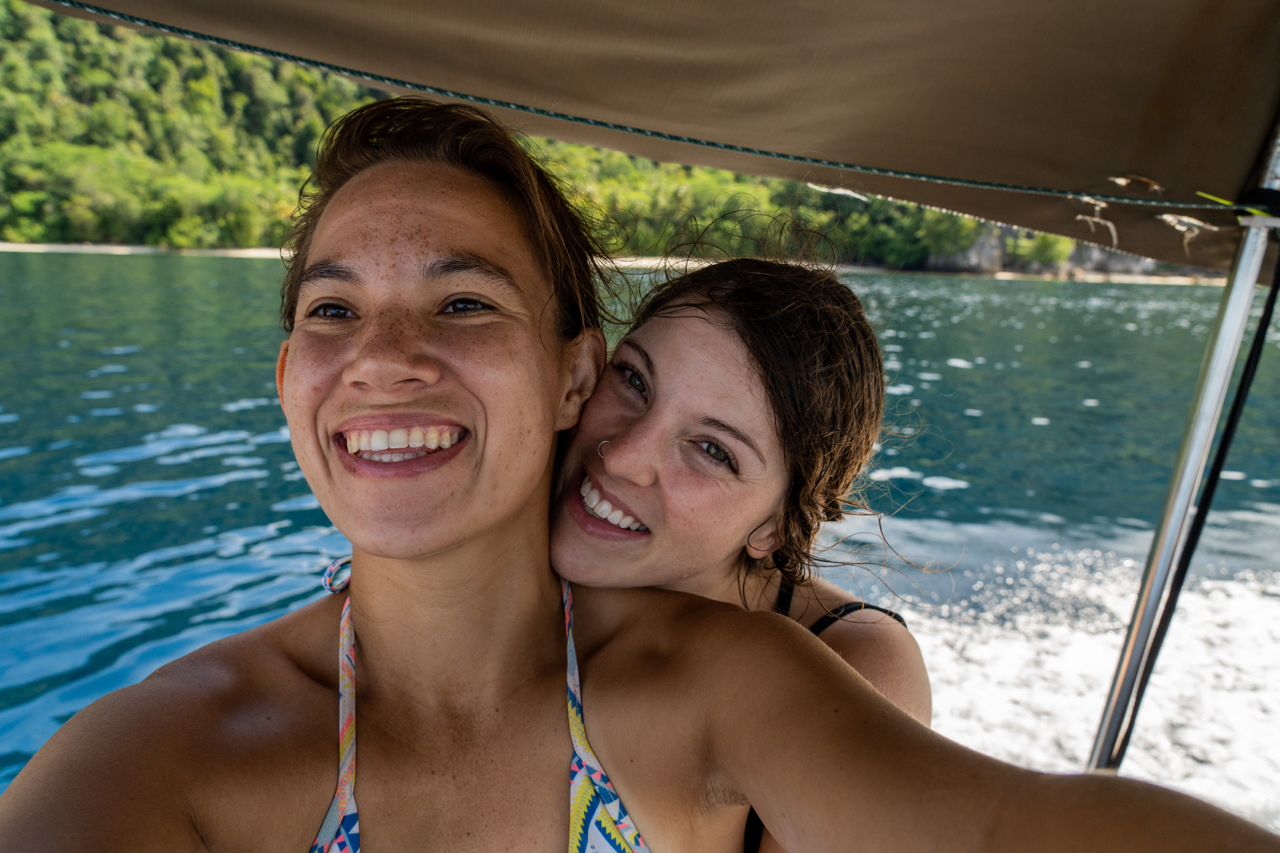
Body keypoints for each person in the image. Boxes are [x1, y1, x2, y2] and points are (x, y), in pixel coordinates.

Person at [0, 96, 1275, 853]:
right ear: (286, 373)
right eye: (332, 311)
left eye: (460, 300)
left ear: (562, 369)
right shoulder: (171, 750)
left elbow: (1001, 831)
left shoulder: (733, 679)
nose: (382, 358)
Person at [548, 257, 932, 853]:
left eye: (712, 450)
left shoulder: (850, 663)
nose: (623, 455)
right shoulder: (490, 529)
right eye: (634, 381)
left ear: (775, 528)